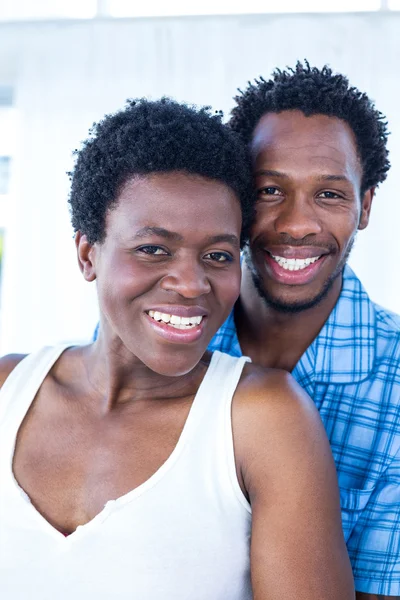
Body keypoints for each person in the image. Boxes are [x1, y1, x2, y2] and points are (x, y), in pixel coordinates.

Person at [0, 98, 353, 599]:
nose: (191, 284)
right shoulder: (8, 390)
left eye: (217, 255)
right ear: (87, 253)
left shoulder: (264, 417)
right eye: (153, 249)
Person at [209, 62, 400, 599]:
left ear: (364, 207)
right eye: (269, 190)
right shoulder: (168, 337)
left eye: (330, 195)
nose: (296, 224)